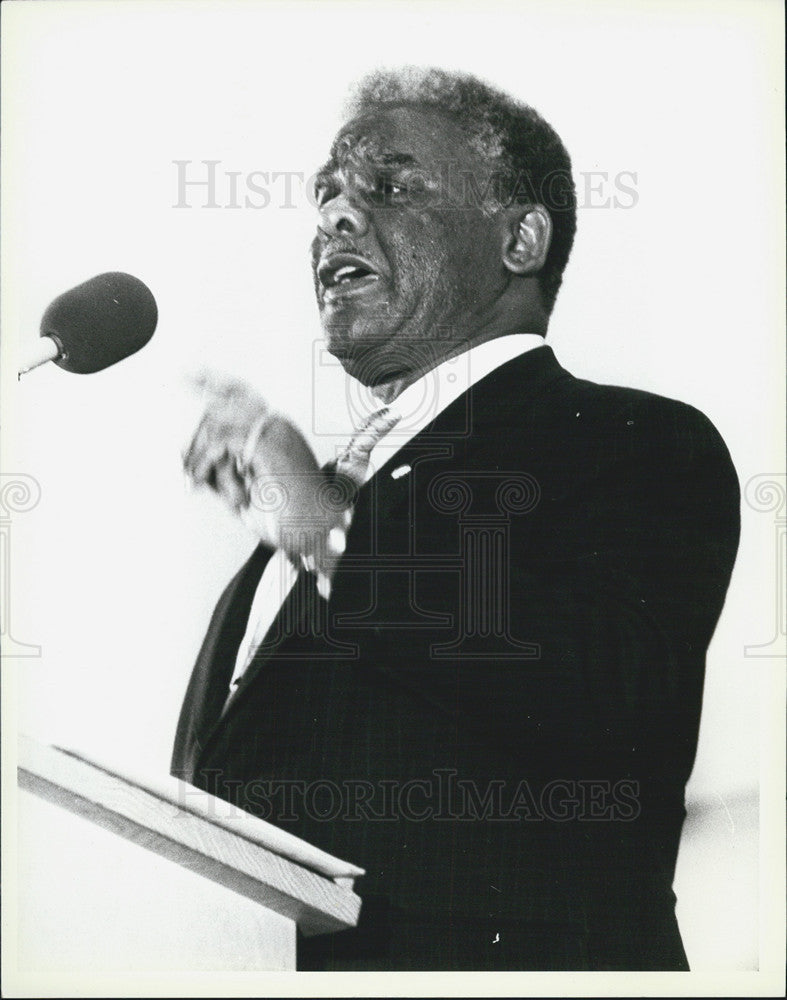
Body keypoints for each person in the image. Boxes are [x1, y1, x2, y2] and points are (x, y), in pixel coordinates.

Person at [172, 67, 740, 970]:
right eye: (326, 195)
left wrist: (330, 536)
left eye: (389, 187)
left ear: (520, 237)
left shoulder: (634, 440)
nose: (333, 219)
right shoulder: (314, 506)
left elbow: (607, 699)